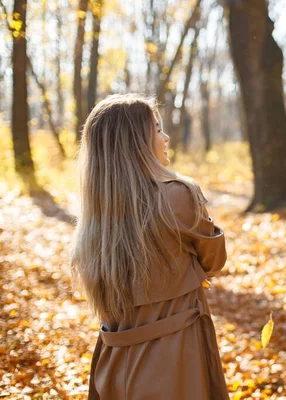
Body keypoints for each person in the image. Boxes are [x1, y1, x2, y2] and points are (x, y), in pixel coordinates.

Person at [71, 94, 229, 399]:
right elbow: (214, 261)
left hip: (113, 362)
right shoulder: (178, 195)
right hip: (175, 357)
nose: (165, 136)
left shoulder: (97, 213)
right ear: (136, 141)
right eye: (157, 129)